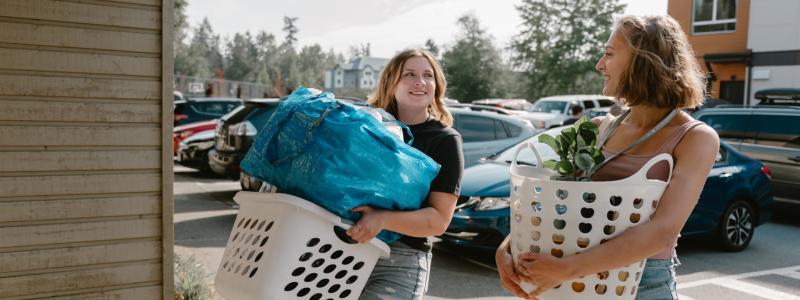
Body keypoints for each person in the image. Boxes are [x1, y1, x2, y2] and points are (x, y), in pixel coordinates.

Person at [496, 15, 719, 300]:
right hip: (576, 280)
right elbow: (557, 207)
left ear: (643, 60)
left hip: (641, 284)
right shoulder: (600, 128)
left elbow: (662, 231)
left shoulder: (694, 138)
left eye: (609, 54)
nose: (599, 65)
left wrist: (566, 269)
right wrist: (508, 249)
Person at [347, 48, 464, 299]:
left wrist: (382, 219)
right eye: (409, 74)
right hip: (341, 250)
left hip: (398, 261)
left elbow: (439, 220)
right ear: (391, 83)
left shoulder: (445, 140)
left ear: (437, 86)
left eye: (428, 75)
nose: (420, 82)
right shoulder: (366, 129)